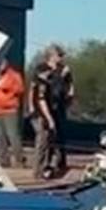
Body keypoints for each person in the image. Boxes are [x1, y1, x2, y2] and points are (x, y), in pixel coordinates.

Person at [33, 46, 74, 175]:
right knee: (44, 139)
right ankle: (40, 168)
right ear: (52, 56)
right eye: (59, 55)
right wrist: (60, 75)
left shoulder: (64, 69)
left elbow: (70, 86)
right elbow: (42, 86)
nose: (61, 58)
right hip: (44, 107)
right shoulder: (42, 70)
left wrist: (69, 98)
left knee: (59, 136)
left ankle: (59, 163)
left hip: (58, 106)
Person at [0, 59, 25, 168]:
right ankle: (4, 159)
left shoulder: (14, 75)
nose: (0, 66)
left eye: (2, 64)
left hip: (10, 110)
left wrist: (4, 86)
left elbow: (20, 89)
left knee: (13, 135)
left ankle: (19, 159)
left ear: (6, 64)